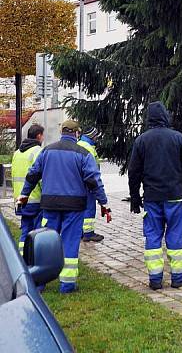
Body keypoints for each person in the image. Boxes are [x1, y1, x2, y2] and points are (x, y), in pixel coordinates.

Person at [17, 119, 110, 294]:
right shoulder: (83, 153)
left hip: (50, 205)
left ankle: (39, 282)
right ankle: (67, 284)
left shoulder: (47, 151)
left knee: (46, 243)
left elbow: (33, 174)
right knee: (69, 241)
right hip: (74, 207)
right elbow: (93, 181)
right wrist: (104, 203)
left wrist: (24, 195)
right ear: (76, 134)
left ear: (61, 132)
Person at [128, 101, 182, 291]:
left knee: (153, 236)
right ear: (165, 116)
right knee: (175, 237)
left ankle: (155, 279)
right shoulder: (178, 138)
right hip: (175, 196)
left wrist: (135, 198)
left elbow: (133, 172)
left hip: (151, 198)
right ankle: (178, 278)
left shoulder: (142, 140)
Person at [12, 123, 44, 255]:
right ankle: (35, 258)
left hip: (20, 199)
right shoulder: (37, 152)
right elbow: (41, 176)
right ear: (38, 136)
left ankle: (21, 257)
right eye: (43, 136)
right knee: (37, 232)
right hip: (35, 199)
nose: (43, 139)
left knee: (25, 230)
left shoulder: (17, 153)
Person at [77, 127, 103, 243]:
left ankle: (81, 232)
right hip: (88, 183)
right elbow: (91, 169)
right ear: (92, 136)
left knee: (81, 208)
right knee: (89, 207)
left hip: (79, 183)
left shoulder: (80, 144)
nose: (97, 137)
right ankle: (88, 233)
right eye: (96, 135)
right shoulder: (88, 147)